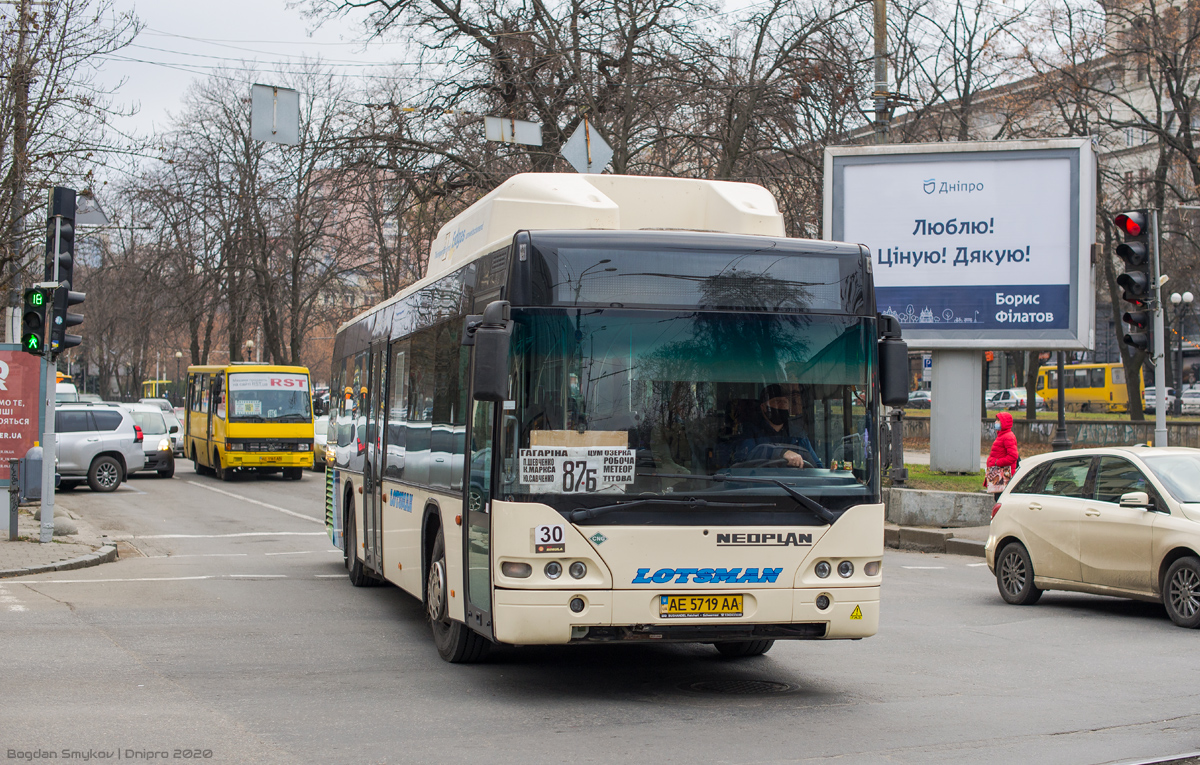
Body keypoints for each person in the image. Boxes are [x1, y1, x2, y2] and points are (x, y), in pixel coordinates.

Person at [736, 383, 821, 468]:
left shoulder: (797, 433)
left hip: (796, 480)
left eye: (785, 402)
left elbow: (816, 465)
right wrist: (780, 453)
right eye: (777, 402)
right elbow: (744, 458)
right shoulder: (750, 431)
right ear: (764, 407)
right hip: (762, 480)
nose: (783, 405)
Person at [985, 411, 1020, 500]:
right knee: (998, 499)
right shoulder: (1002, 435)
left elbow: (1013, 456)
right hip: (999, 475)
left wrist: (997, 462)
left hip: (1003, 476)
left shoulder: (1008, 436)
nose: (995, 422)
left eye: (998, 420)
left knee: (1000, 500)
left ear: (1004, 423)